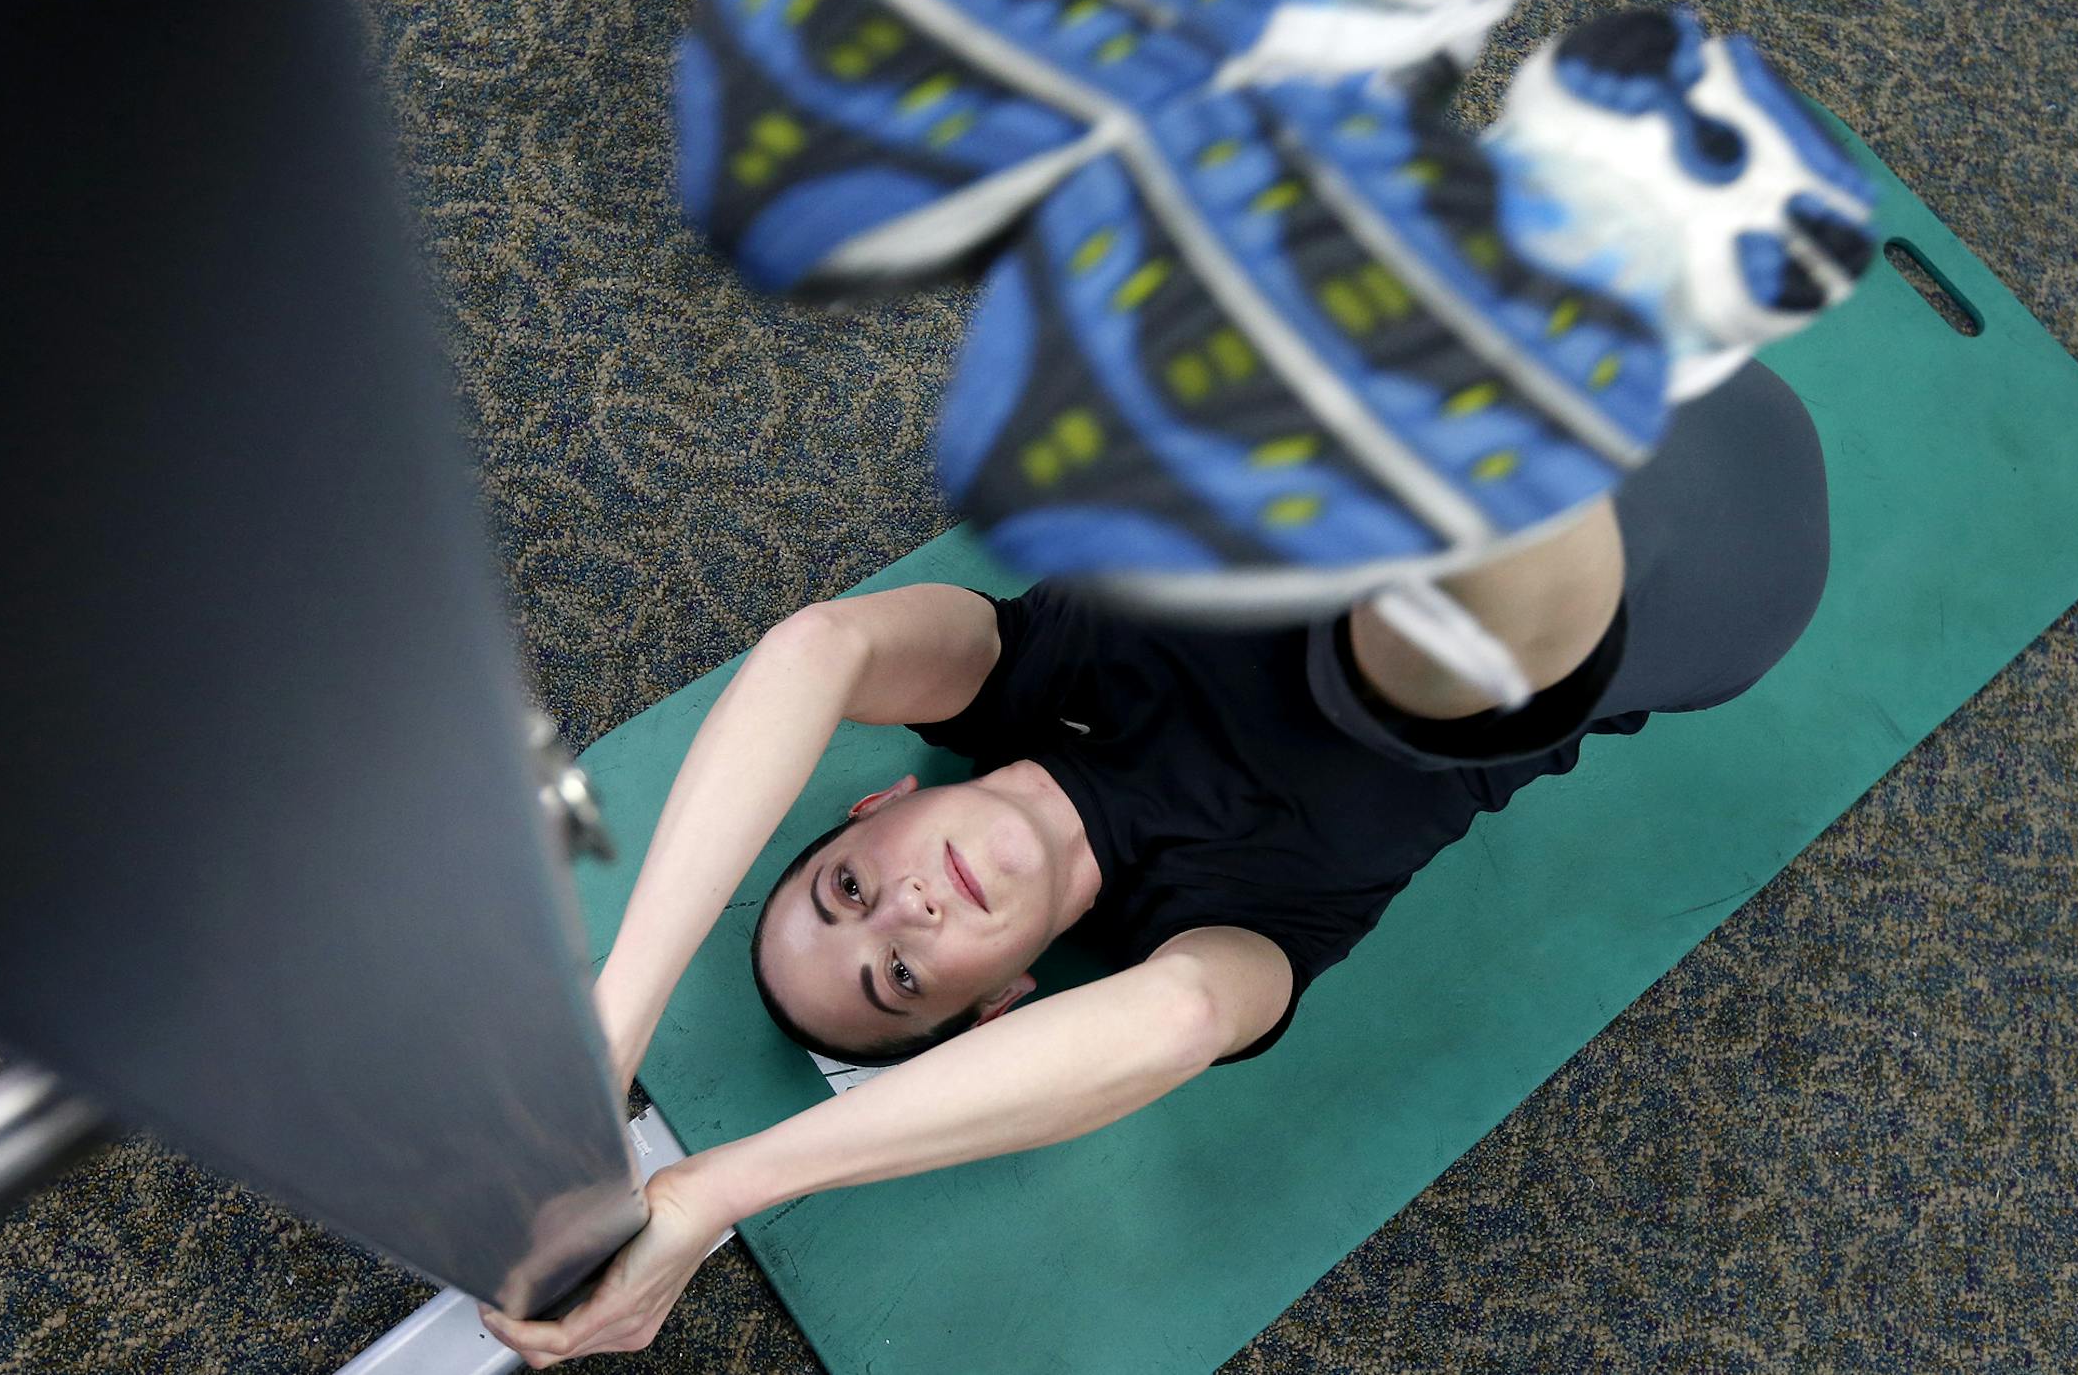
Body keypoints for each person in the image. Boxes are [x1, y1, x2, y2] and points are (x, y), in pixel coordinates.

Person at [480, 354, 1830, 1366]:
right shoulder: (1225, 930)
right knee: (1432, 636)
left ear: (877, 801)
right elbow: (1176, 1023)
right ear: (1002, 1005)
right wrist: (719, 1191)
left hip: (1544, 385)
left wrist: (608, 1030)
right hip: (1717, 566)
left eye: (849, 889)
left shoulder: (1010, 674)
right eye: (901, 974)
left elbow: (819, 652)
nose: (905, 907)